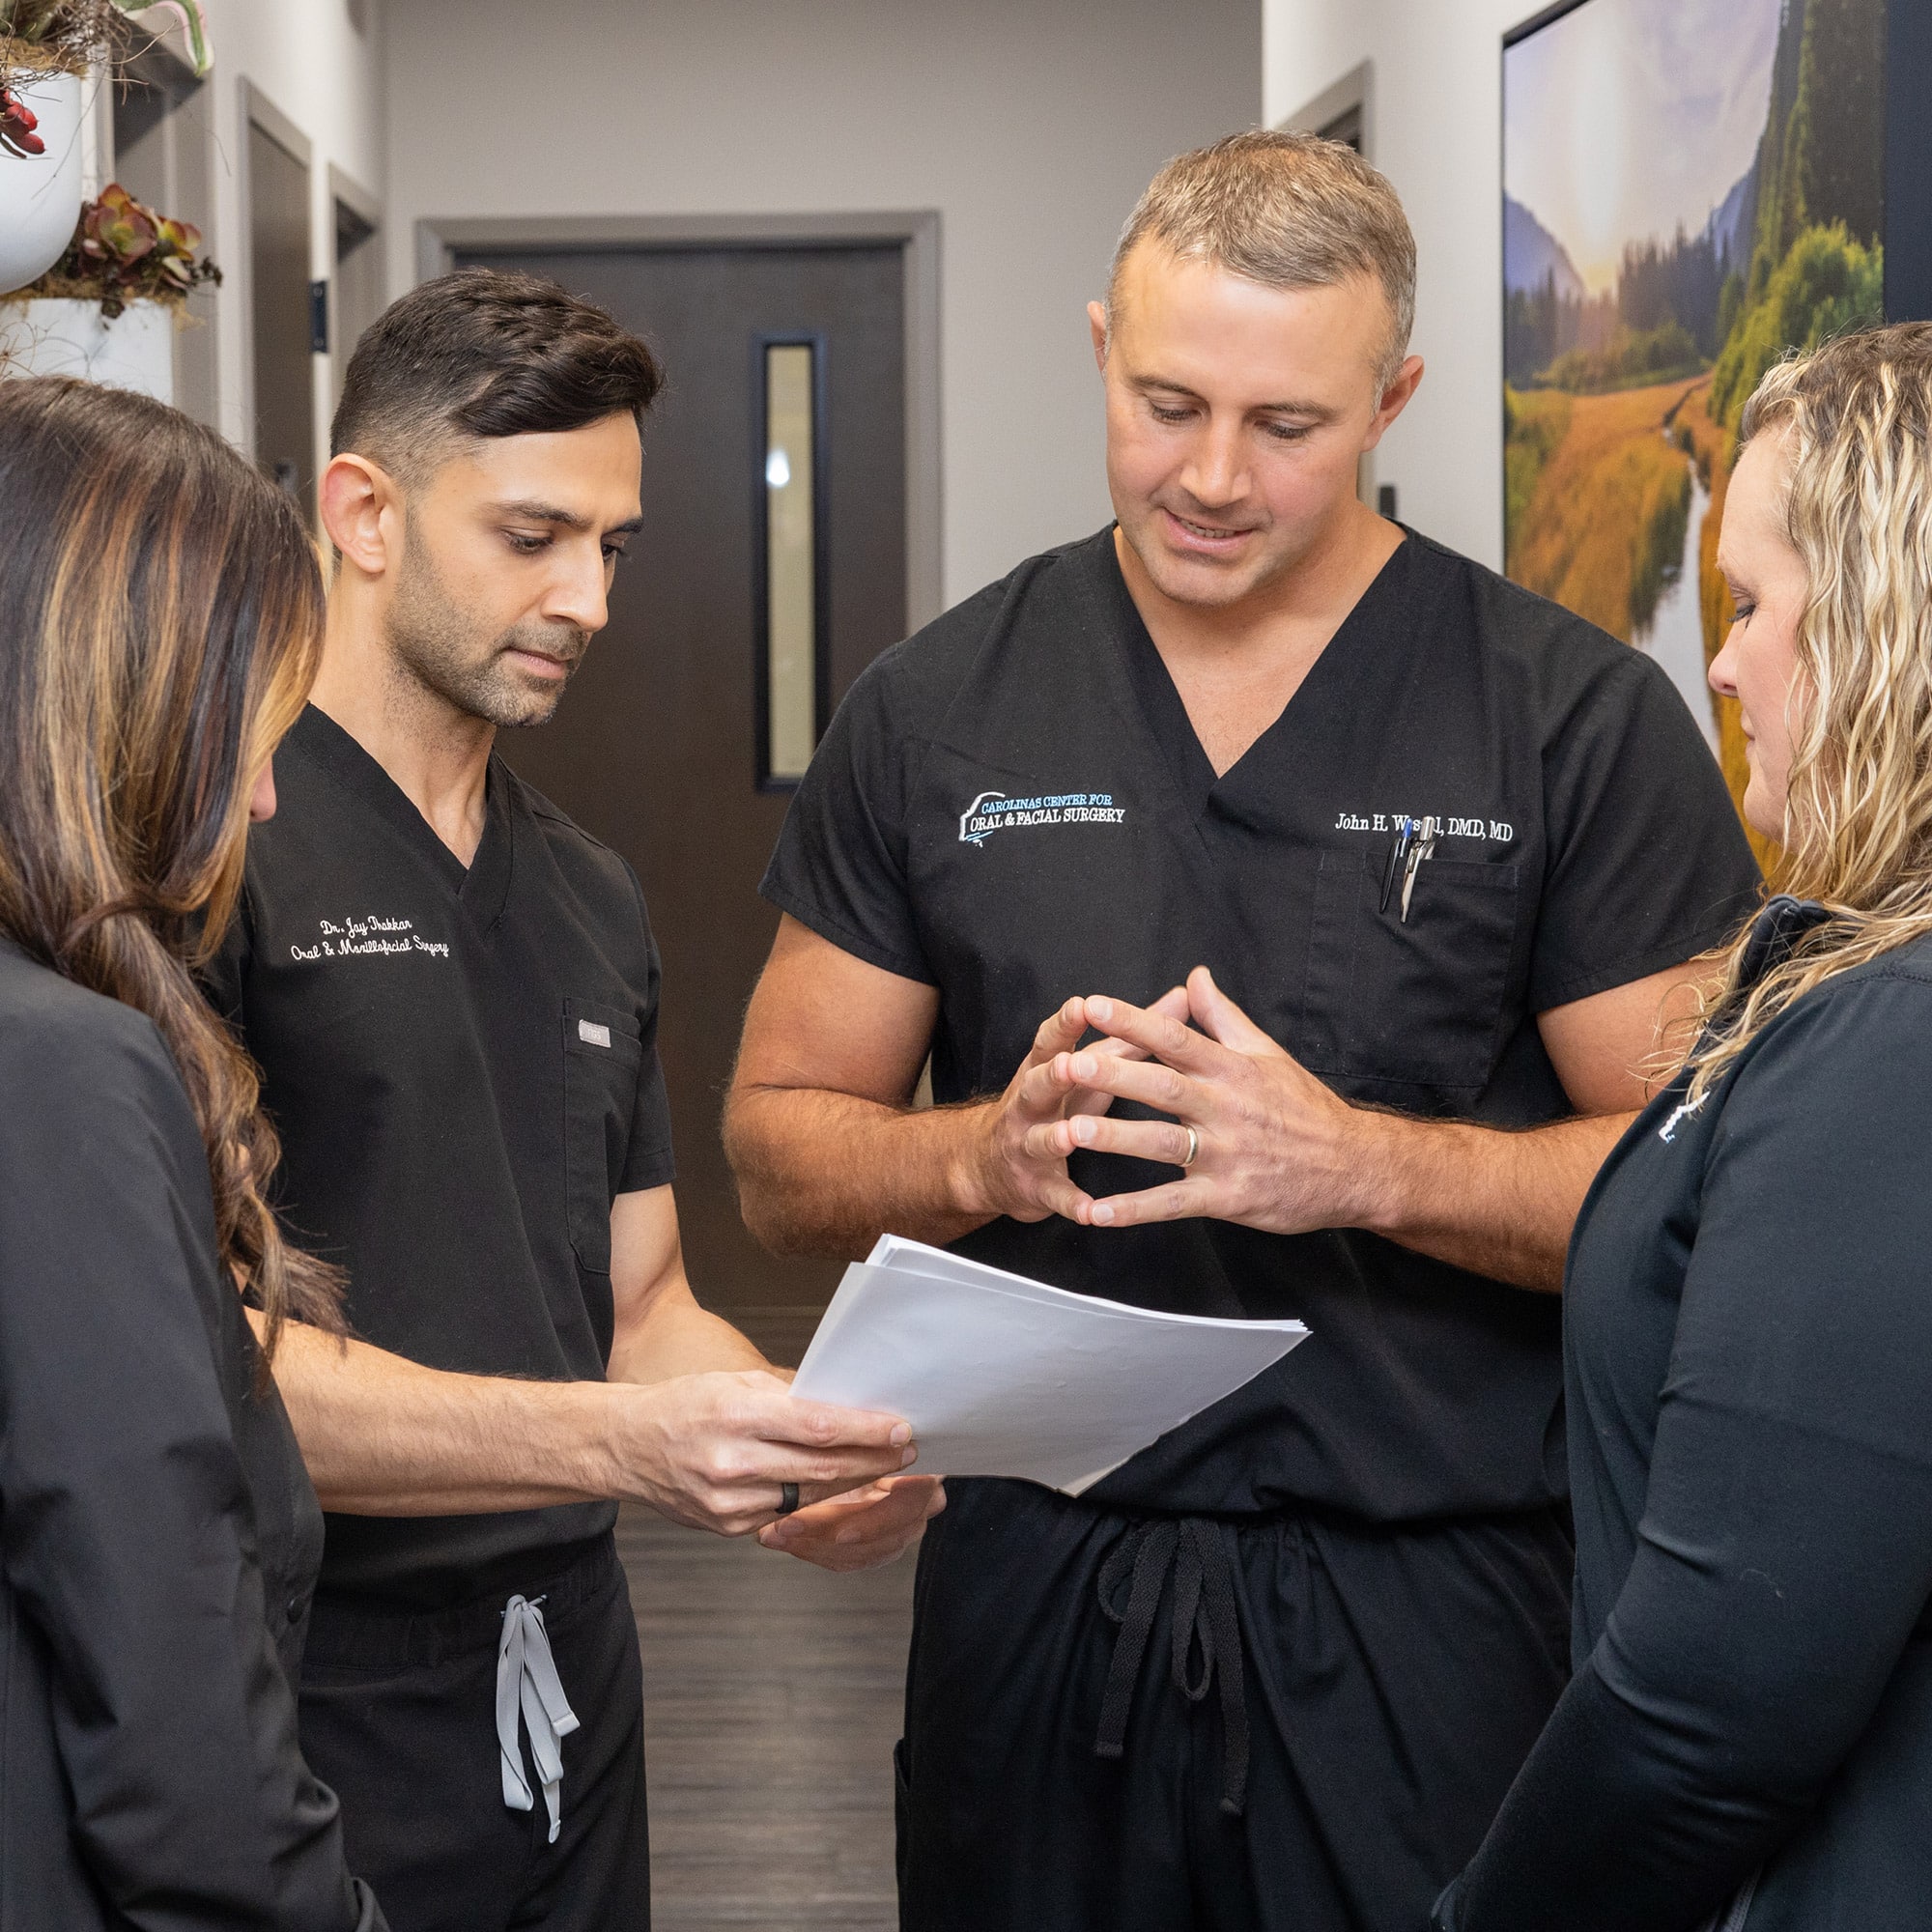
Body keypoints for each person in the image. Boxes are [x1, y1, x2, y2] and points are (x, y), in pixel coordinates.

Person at [725, 131, 1765, 1931]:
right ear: (1100, 351)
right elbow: (774, 1146)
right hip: (1037, 1612)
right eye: (1164, 402)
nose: (1210, 477)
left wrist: (1354, 1163)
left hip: (1433, 1618)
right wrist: (980, 1150)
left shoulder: (1564, 720)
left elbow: (1701, 1199)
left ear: (1395, 399)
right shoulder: (940, 709)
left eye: (1286, 426)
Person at [203, 270, 938, 1932]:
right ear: (363, 513)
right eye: (532, 536)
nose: (586, 598)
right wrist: (625, 1444)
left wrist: (786, 1444)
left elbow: (644, 1300)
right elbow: (215, 1370)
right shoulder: (213, 854)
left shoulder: (591, 894)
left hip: (563, 1691)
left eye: (611, 546)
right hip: (300, 1691)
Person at [1431, 324, 1932, 1931]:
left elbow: (1719, 1699)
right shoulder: (1848, 979)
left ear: (1881, 629)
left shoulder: (1891, 1043)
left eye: (1753, 607)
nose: (1720, 664)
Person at [0, 377, 384, 1928]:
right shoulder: (61, 1074)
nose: (270, 792)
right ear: (125, 702)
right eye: (254, 731)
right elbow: (174, 1711)